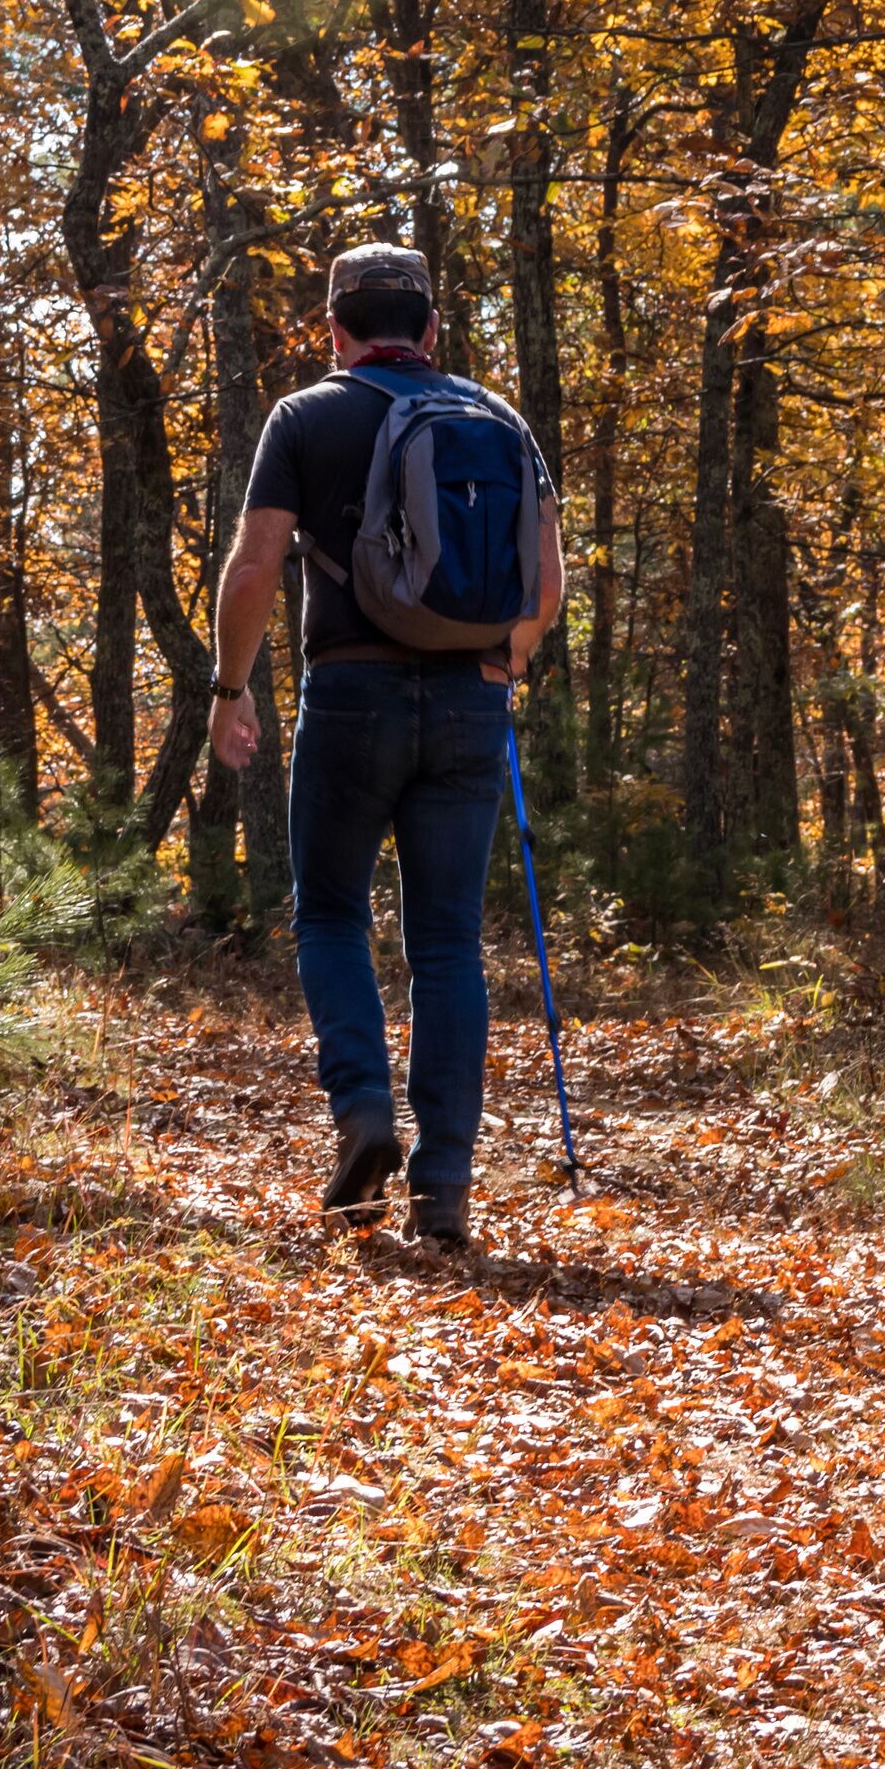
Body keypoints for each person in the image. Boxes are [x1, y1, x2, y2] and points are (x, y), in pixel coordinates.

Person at [209, 244, 563, 1250]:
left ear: (335, 329)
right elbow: (544, 585)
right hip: (469, 701)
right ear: (432, 330)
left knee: (328, 912)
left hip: (352, 692)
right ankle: (442, 1189)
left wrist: (230, 690)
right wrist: (507, 659)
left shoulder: (306, 416)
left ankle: (364, 1112)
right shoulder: (497, 420)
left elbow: (254, 565)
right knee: (447, 940)